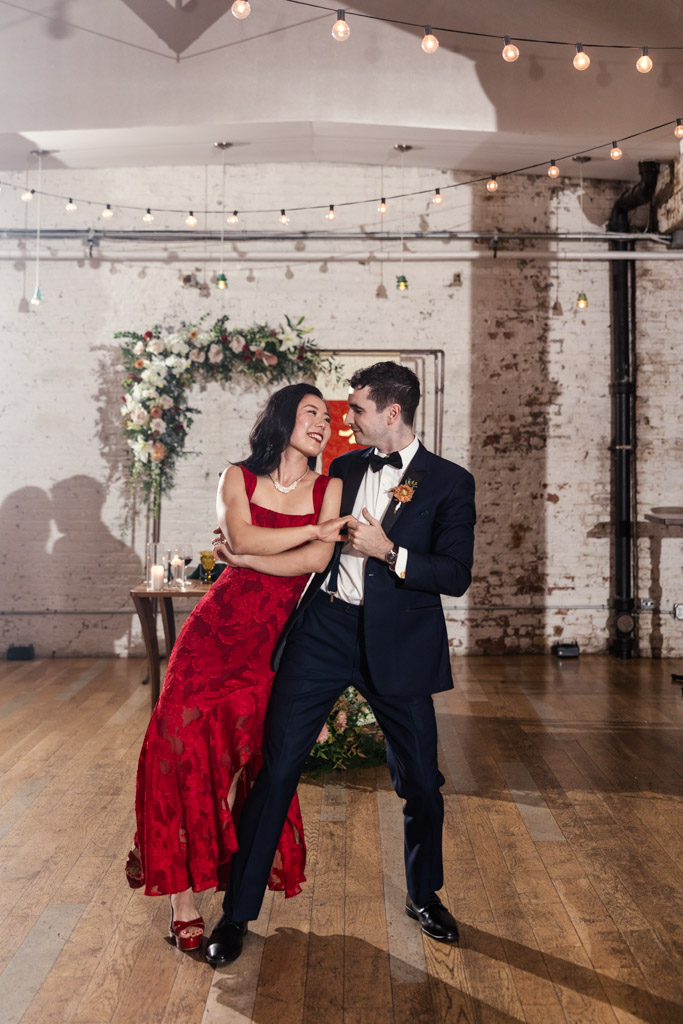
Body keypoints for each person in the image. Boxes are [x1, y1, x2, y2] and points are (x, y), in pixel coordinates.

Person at [205, 361, 476, 966]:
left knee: (422, 785)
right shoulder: (344, 471)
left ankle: (424, 895)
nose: (344, 423)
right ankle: (236, 912)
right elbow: (299, 530)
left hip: (399, 644)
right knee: (276, 771)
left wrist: (392, 552)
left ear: (391, 413)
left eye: (354, 411)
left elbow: (456, 575)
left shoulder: (451, 483)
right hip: (323, 631)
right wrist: (242, 550)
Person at [126, 383, 350, 952]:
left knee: (236, 766)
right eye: (311, 414)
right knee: (181, 752)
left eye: (327, 417)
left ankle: (217, 878)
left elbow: (317, 560)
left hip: (269, 648)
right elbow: (250, 533)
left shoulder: (331, 486)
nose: (322, 423)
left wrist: (251, 555)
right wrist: (302, 532)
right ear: (282, 419)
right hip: (211, 637)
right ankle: (182, 899)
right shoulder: (237, 477)